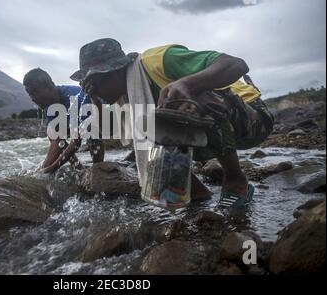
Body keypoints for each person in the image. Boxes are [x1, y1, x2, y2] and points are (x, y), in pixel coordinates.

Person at [70, 38, 274, 208]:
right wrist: (94, 99)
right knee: (150, 137)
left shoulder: (157, 60)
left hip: (252, 120)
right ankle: (197, 195)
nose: (92, 89)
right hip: (215, 136)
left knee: (187, 99)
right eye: (87, 87)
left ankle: (235, 181)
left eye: (94, 84)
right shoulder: (126, 98)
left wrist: (187, 83)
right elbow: (104, 128)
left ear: (113, 71)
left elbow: (237, 64)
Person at [23, 68, 104, 173]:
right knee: (53, 133)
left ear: (50, 85)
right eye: (30, 94)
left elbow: (76, 142)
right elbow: (57, 141)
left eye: (35, 91)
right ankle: (79, 168)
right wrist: (42, 170)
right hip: (86, 125)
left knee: (90, 127)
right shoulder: (48, 105)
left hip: (109, 118)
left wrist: (53, 167)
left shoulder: (74, 98)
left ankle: (98, 168)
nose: (33, 98)